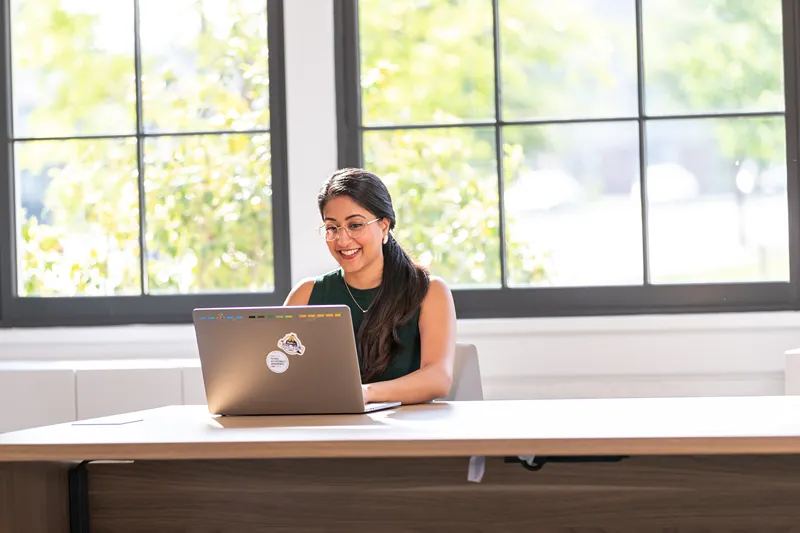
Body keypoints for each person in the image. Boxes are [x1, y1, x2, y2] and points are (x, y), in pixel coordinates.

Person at [284, 168, 457, 406]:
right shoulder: (306, 295)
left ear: (384, 227)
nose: (343, 240)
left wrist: (365, 393)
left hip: (406, 435)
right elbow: (279, 375)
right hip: (325, 432)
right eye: (332, 228)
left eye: (355, 225)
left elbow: (438, 379)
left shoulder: (429, 292)